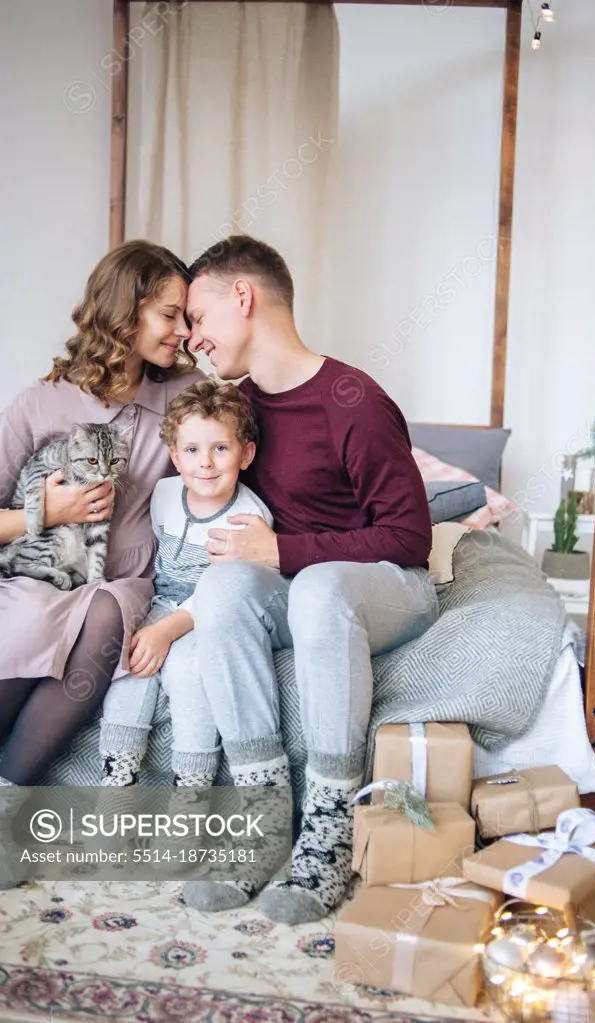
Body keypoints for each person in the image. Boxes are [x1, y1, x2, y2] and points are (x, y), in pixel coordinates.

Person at [181, 235, 439, 924]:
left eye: (199, 317)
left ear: (244, 297)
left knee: (321, 585)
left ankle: (327, 829)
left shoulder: (352, 399)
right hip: (297, 582)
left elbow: (412, 536)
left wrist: (283, 548)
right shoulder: (235, 411)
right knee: (222, 588)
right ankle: (263, 818)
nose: (193, 338)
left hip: (386, 584)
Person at [0, 240, 203, 820]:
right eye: (170, 315)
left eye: (187, 318)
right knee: (32, 617)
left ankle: (9, 799)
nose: (184, 332)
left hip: (124, 579)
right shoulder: (38, 404)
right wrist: (50, 512)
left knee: (106, 611)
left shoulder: (183, 398)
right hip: (38, 575)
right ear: (123, 311)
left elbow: (233, 451)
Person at [99, 378, 272, 792]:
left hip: (209, 616)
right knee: (131, 668)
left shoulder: (250, 519)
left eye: (221, 448)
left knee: (191, 672)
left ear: (246, 454)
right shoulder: (162, 494)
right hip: (159, 602)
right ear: (175, 457)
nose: (206, 463)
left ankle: (192, 789)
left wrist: (168, 630)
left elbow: (233, 590)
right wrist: (152, 626)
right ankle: (116, 785)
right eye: (192, 450)